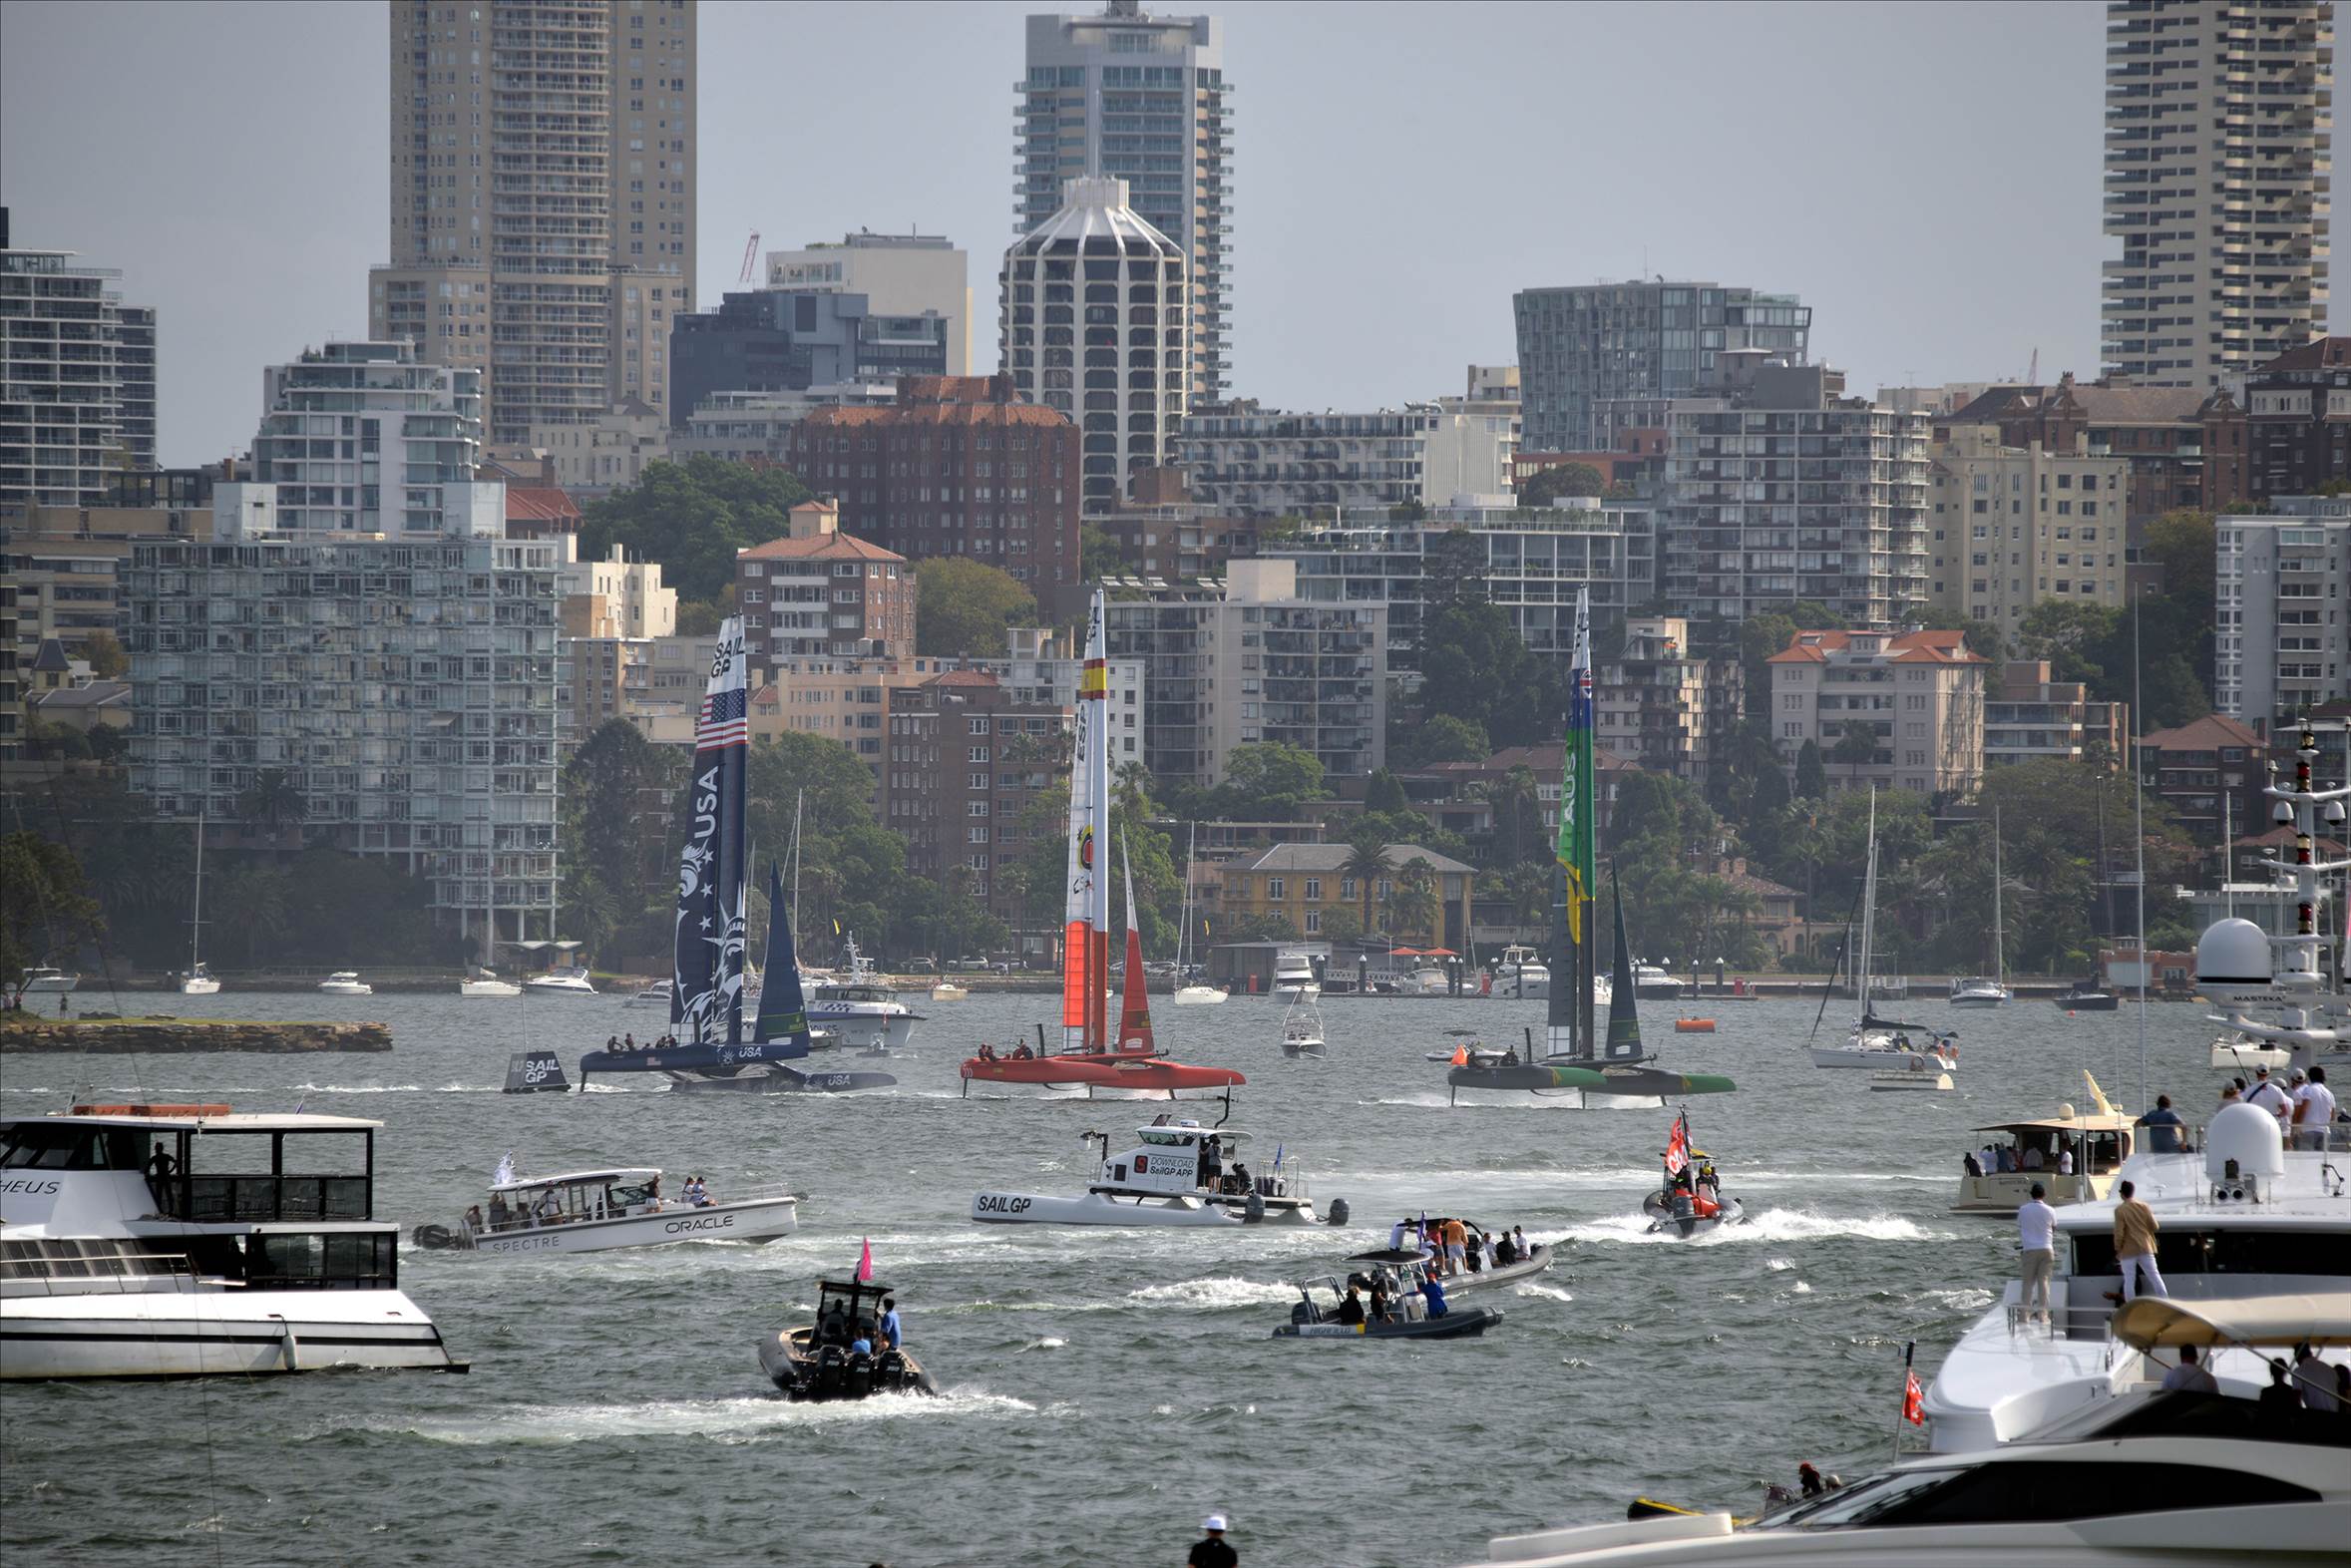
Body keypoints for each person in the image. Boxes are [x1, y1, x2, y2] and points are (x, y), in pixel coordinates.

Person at [2113, 1179, 2164, 1301]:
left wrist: (2117, 1248)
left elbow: (2119, 1233)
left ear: (2122, 1193)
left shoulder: (2120, 1210)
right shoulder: (2144, 1206)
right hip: (2146, 1247)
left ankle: (2129, 1307)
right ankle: (2165, 1301)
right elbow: (2155, 1226)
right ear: (2132, 1192)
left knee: (2129, 1280)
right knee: (2155, 1276)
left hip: (2128, 1250)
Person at [2017, 1182, 2057, 1327]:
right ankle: (2043, 1316)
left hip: (2029, 1250)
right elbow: (2053, 1227)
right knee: (2044, 1282)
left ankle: (2024, 1316)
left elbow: (2020, 1225)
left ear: (2031, 1194)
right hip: (2047, 1248)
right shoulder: (2050, 1210)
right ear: (2044, 1195)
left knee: (2028, 1283)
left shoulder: (2023, 1209)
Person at [2291, 1065, 2336, 1151]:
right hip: (2325, 1131)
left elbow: (2304, 1109)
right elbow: (2332, 1116)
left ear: (2310, 1077)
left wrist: (2297, 1127)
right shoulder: (2330, 1094)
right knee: (2322, 1161)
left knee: (2307, 1160)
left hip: (2308, 1130)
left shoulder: (2309, 1090)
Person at [2291, 1342, 2337, 1412]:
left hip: (2316, 1415)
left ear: (2297, 1356)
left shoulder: (2299, 1371)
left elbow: (2296, 1397)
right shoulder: (2329, 1369)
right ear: (2310, 1353)